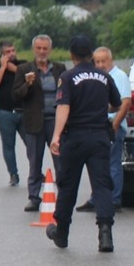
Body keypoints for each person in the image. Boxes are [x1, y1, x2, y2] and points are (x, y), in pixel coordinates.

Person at [45, 35, 121, 252]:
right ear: (91, 54)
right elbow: (116, 104)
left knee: (68, 185)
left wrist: (56, 135)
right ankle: (105, 235)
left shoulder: (67, 77)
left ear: (71, 55)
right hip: (99, 137)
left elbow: (63, 107)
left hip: (75, 138)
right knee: (102, 185)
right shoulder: (104, 77)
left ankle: (62, 234)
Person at [12, 34, 66, 211]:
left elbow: (67, 93)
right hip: (34, 122)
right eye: (39, 48)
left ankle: (64, 196)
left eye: (45, 48)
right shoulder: (24, 69)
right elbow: (16, 95)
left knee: (60, 161)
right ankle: (34, 197)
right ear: (34, 49)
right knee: (34, 161)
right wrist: (27, 85)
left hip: (55, 122)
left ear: (50, 50)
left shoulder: (59, 68)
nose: (42, 52)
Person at [76, 47, 132, 212]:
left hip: (112, 126)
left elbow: (125, 103)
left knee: (113, 164)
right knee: (97, 165)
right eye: (97, 61)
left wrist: (114, 126)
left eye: (103, 61)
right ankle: (97, 198)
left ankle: (114, 199)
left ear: (111, 60)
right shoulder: (96, 76)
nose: (100, 64)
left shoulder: (119, 76)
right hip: (96, 127)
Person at [0, 39, 21, 186]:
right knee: (8, 145)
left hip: (23, 111)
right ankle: (13, 173)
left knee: (32, 144)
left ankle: (36, 172)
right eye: (8, 52)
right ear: (1, 54)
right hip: (4, 112)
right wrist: (3, 68)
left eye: (13, 51)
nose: (11, 54)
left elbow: (29, 77)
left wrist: (12, 67)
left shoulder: (23, 64)